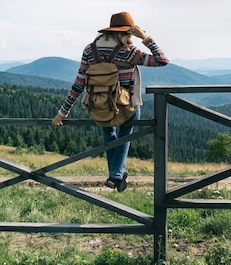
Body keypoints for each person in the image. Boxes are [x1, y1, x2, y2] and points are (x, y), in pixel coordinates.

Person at [52, 11, 169, 192]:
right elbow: (162, 60)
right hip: (125, 105)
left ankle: (115, 176)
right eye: (130, 33)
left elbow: (79, 83)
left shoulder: (90, 50)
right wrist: (145, 37)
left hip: (97, 104)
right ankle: (115, 176)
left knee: (109, 134)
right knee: (125, 135)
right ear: (125, 32)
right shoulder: (129, 52)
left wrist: (63, 112)